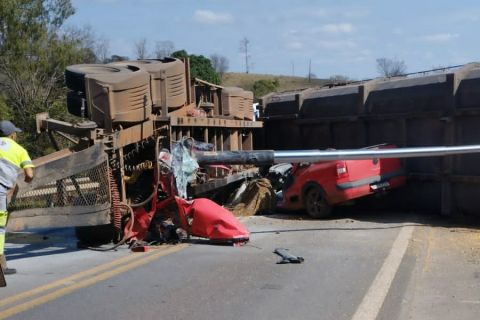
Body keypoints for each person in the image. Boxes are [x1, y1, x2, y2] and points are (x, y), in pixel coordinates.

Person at [0, 120, 34, 275]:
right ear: (12, 135)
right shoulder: (19, 150)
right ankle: (1, 265)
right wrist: (24, 182)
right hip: (0, 191)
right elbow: (29, 174)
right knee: (0, 228)